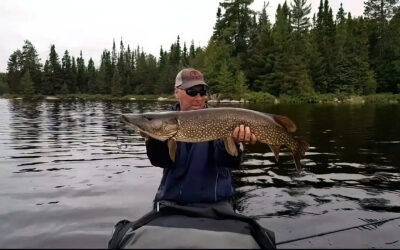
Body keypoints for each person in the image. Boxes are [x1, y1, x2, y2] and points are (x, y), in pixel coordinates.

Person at [143, 68, 257, 206]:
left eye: (202, 92)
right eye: (192, 92)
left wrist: (233, 141)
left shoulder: (221, 119)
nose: (198, 98)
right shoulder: (165, 122)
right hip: (172, 202)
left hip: (216, 202)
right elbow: (160, 161)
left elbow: (228, 163)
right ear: (176, 92)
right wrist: (154, 140)